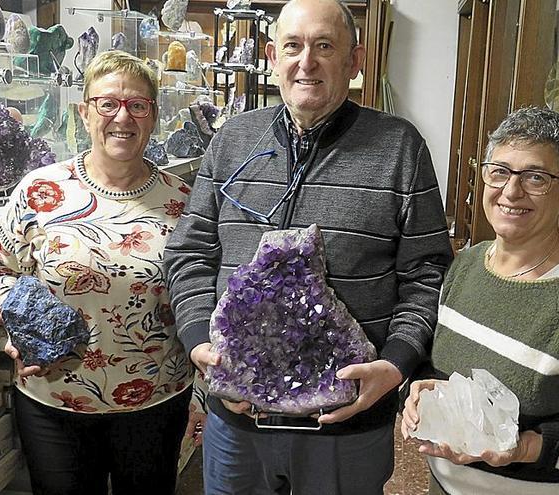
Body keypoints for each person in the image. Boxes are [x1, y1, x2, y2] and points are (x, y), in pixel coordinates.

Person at [163, 0, 454, 492]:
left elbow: (427, 272)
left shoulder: (400, 147)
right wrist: (199, 343)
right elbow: (189, 253)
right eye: (294, 47)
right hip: (238, 421)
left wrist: (397, 362)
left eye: (324, 46)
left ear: (354, 61)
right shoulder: (232, 140)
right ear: (273, 56)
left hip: (345, 421)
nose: (307, 61)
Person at [401, 107, 559, 494]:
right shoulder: (468, 264)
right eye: (500, 171)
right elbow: (450, 368)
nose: (511, 192)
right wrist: (426, 388)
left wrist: (525, 448)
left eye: (536, 178)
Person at [0, 50, 204, 495]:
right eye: (108, 103)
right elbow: (3, 267)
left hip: (155, 398)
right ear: (85, 112)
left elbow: (200, 287)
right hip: (54, 395)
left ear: (153, 116)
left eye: (137, 105)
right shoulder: (40, 189)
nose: (121, 117)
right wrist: (15, 326)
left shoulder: (184, 200)